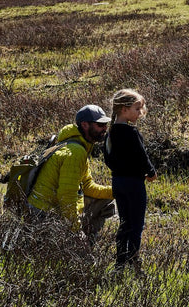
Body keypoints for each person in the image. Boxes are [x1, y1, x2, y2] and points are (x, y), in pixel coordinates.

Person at [26, 104, 116, 239]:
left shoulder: (77, 145)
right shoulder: (75, 152)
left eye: (105, 125)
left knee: (106, 200)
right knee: (77, 239)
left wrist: (119, 191)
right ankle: (83, 243)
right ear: (85, 125)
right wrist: (75, 231)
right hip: (44, 214)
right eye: (100, 124)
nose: (105, 129)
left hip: (49, 208)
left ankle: (84, 240)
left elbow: (87, 187)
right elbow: (67, 196)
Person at [103, 88, 156, 267]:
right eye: (136, 108)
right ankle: (134, 261)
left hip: (117, 182)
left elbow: (107, 159)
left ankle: (120, 262)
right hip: (134, 184)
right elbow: (142, 156)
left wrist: (120, 170)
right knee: (136, 224)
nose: (140, 113)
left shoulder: (109, 134)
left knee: (124, 222)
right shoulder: (132, 133)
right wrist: (150, 172)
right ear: (124, 110)